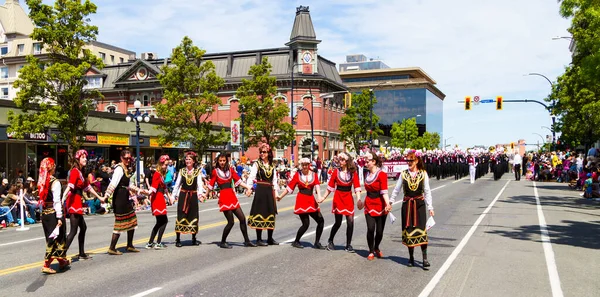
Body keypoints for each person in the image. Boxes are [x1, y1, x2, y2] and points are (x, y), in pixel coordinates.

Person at [390, 150, 434, 270]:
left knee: (421, 231)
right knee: (409, 231)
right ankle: (411, 257)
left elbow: (427, 191)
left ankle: (425, 259)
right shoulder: (403, 174)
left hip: (419, 205)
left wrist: (430, 207)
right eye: (408, 160)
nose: (409, 162)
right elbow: (396, 190)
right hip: (407, 205)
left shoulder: (423, 173)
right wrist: (390, 202)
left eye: (411, 160)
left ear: (417, 160)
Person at [206, 153, 255, 249]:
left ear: (226, 161)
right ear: (218, 161)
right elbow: (211, 185)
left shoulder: (231, 170)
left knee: (242, 218)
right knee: (231, 222)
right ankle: (223, 242)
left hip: (232, 196)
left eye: (224, 161)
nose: (222, 162)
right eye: (220, 161)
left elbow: (238, 181)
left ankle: (247, 241)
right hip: (224, 197)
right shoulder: (215, 172)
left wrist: (248, 187)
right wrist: (205, 195)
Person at [277, 157, 326, 249]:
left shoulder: (314, 175)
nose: (305, 167)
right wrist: (280, 196)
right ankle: (296, 241)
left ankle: (317, 242)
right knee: (306, 224)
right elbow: (289, 187)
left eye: (306, 165)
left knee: (320, 220)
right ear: (301, 165)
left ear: (309, 165)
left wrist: (319, 196)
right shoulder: (297, 175)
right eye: (303, 165)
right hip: (301, 200)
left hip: (311, 200)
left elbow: (317, 186)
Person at [63, 149, 103, 260]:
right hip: (74, 200)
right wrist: (62, 198)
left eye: (86, 157)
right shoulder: (75, 171)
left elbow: (87, 187)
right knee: (73, 231)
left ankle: (81, 253)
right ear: (78, 159)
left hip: (77, 201)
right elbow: (70, 186)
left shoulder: (81, 172)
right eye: (83, 157)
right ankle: (62, 254)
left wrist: (100, 197)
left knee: (83, 228)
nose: (85, 159)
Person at [319, 152, 361, 252]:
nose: (340, 162)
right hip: (338, 197)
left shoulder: (353, 172)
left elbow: (357, 186)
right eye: (339, 160)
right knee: (338, 222)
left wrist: (359, 199)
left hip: (348, 198)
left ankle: (348, 244)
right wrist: (323, 198)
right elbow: (330, 187)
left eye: (342, 160)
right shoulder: (336, 172)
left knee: (350, 222)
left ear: (347, 161)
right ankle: (330, 240)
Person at [104, 150, 141, 255]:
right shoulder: (119, 169)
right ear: (121, 158)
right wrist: (106, 196)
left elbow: (129, 185)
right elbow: (113, 184)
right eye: (126, 158)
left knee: (132, 220)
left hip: (124, 197)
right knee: (120, 223)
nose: (128, 160)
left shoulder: (125, 169)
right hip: (119, 198)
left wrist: (140, 191)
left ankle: (130, 245)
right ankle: (112, 247)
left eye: (130, 158)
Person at [357, 152, 391, 261]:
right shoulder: (367, 175)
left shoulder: (381, 174)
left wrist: (387, 204)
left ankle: (376, 247)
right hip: (369, 204)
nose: (366, 163)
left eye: (368, 162)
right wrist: (362, 203)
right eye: (366, 162)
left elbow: (384, 191)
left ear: (374, 162)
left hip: (380, 205)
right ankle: (371, 250)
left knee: (380, 231)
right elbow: (368, 192)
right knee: (371, 228)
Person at [38, 158, 70, 274]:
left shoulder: (41, 181)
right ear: (51, 167)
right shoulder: (55, 182)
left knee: (54, 238)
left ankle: (62, 261)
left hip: (45, 214)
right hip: (53, 213)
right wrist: (60, 217)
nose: (55, 166)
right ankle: (46, 264)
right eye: (54, 165)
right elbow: (57, 201)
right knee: (55, 238)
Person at [246, 143, 280, 246]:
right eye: (261, 152)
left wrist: (276, 193)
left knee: (270, 212)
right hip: (260, 190)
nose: (262, 154)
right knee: (259, 212)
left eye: (264, 152)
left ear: (268, 152)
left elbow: (274, 181)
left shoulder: (272, 165)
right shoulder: (257, 164)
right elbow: (251, 177)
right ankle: (259, 239)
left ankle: (270, 238)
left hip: (269, 191)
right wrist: (249, 188)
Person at [172, 151, 205, 247]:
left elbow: (199, 185)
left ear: (194, 161)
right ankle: (178, 239)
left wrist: (200, 195)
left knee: (193, 215)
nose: (187, 161)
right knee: (181, 215)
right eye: (186, 159)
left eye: (189, 159)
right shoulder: (182, 171)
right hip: (183, 196)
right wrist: (173, 196)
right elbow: (177, 184)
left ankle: (193, 238)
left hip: (193, 196)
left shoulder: (197, 171)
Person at [146, 155, 174, 250]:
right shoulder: (157, 174)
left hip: (160, 197)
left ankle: (150, 242)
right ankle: (158, 242)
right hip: (157, 198)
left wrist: (169, 197)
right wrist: (147, 192)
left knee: (159, 222)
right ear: (161, 164)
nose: (166, 166)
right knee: (164, 221)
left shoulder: (161, 174)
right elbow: (153, 187)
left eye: (167, 165)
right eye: (165, 165)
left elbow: (164, 187)